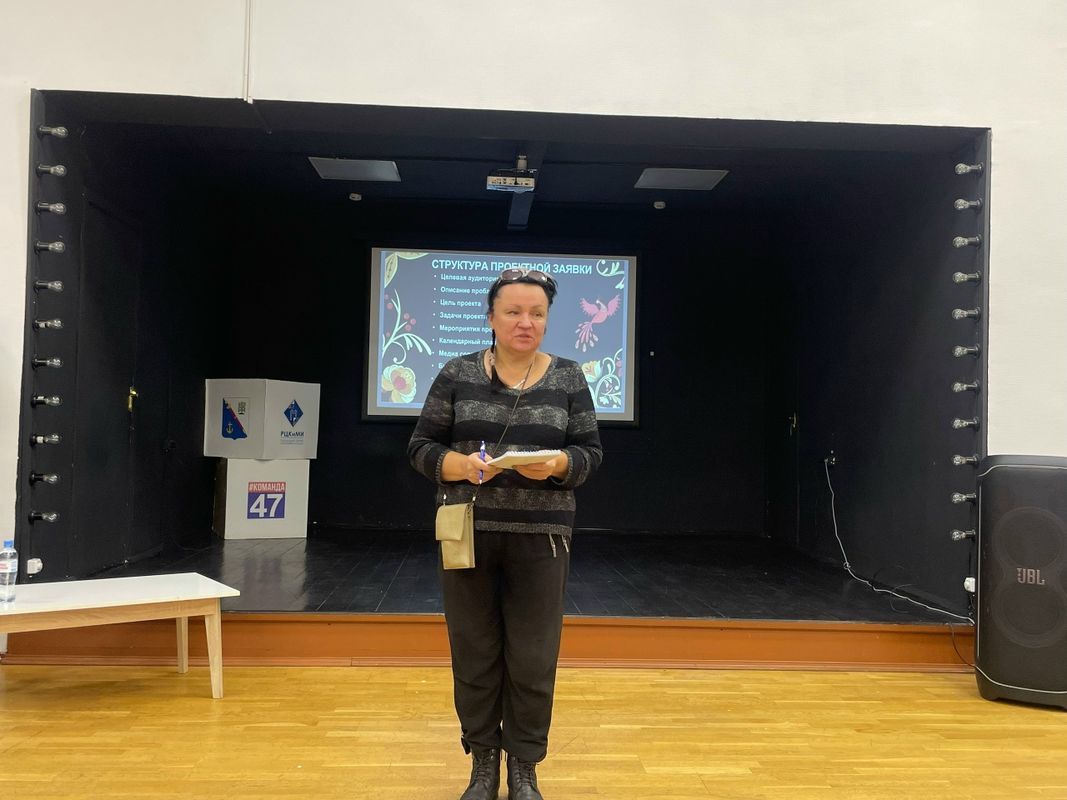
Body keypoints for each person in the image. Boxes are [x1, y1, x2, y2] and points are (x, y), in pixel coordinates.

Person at [408, 267, 603, 800]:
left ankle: (524, 767)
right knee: (474, 653)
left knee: (533, 659)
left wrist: (559, 463)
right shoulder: (456, 373)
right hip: (467, 531)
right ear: (491, 317)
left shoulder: (569, 377)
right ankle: (482, 765)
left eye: (537, 313)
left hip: (542, 538)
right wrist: (460, 466)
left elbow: (590, 454)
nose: (526, 322)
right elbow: (421, 447)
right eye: (514, 312)